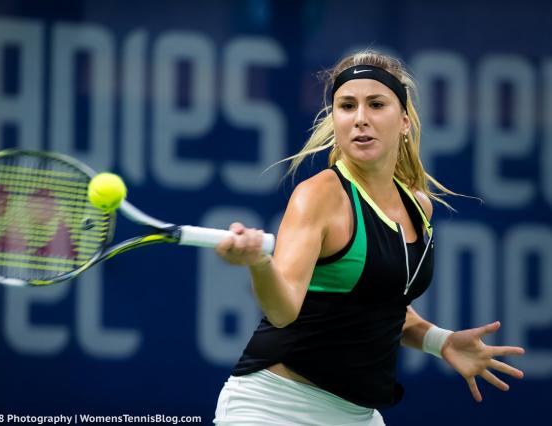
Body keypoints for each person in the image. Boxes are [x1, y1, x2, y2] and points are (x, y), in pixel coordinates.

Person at [212, 50, 525, 426]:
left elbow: (379, 303)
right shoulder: (321, 195)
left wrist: (439, 341)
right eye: (347, 106)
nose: (361, 119)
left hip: (359, 417)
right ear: (336, 119)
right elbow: (282, 311)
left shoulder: (417, 207)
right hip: (273, 407)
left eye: (376, 104)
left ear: (404, 121)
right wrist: (259, 263)